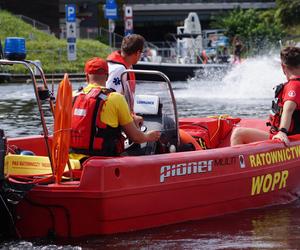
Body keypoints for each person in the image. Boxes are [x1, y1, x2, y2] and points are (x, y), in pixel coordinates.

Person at [70, 57, 161, 159]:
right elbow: (135, 137)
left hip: (72, 161)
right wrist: (149, 136)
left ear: (86, 76)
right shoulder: (115, 98)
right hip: (101, 161)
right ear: (107, 76)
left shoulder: (72, 97)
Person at [231, 46, 300, 146]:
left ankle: (239, 161)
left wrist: (282, 132)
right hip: (293, 137)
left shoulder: (294, 85)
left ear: (283, 67)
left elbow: (288, 109)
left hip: (289, 139)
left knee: (238, 134)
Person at [106, 34, 145, 111]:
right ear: (137, 53)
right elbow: (111, 99)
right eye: (141, 53)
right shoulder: (119, 69)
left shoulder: (127, 66)